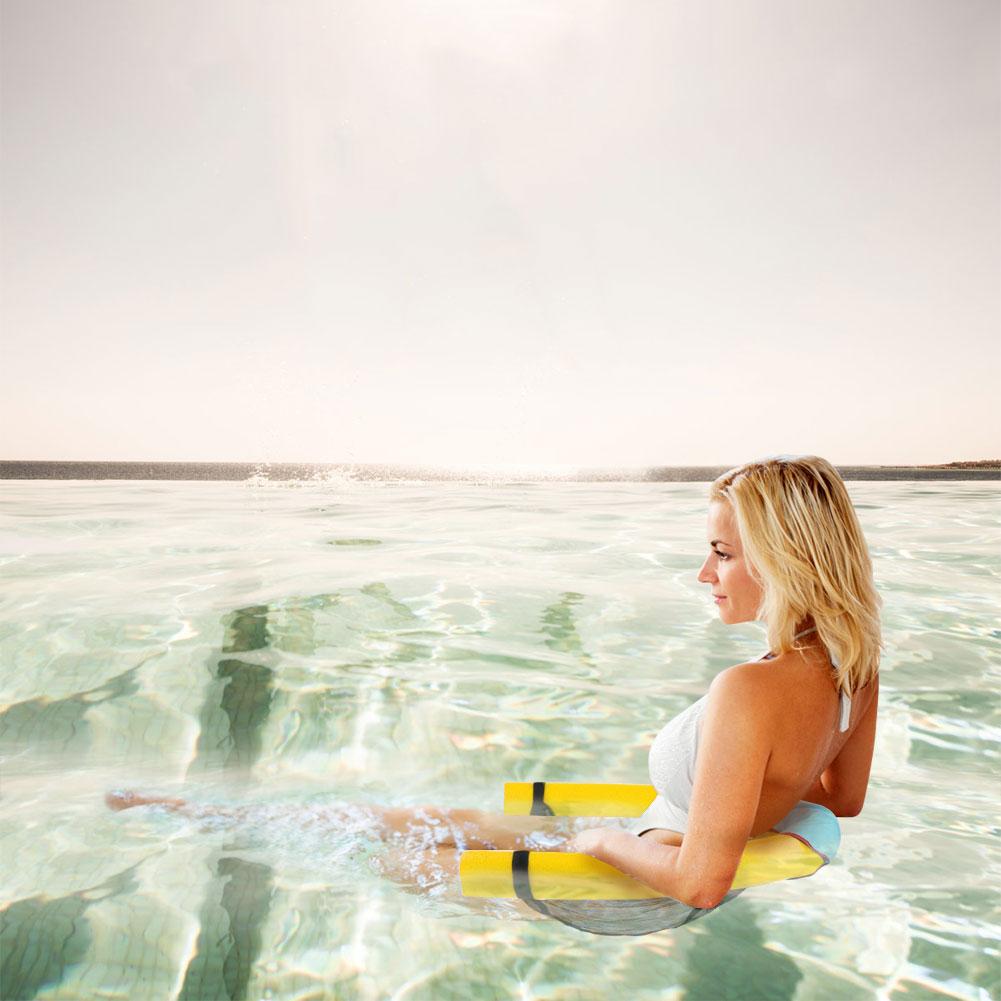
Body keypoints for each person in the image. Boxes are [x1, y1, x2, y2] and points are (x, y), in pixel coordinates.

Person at [108, 455, 882, 936]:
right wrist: (736, 810)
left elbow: (701, 883)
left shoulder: (747, 688)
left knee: (374, 851)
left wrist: (614, 843)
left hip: (629, 883)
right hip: (646, 845)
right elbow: (838, 800)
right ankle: (207, 814)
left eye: (720, 552)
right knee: (419, 819)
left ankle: (206, 825)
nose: (702, 573)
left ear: (783, 558)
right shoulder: (854, 666)